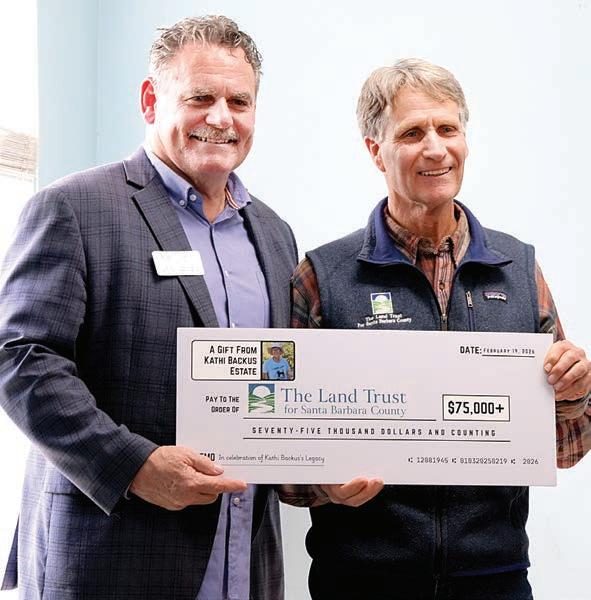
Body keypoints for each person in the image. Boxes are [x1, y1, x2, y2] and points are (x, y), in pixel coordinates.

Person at [0, 15, 297, 600]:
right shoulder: (74, 208)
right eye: (200, 97)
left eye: (239, 101)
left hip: (243, 562)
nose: (222, 118)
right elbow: (22, 357)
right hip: (112, 557)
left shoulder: (274, 233)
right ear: (150, 100)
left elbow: (283, 376)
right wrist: (133, 466)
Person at [280, 58, 591, 599]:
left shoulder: (518, 269)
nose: (435, 148)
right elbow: (279, 450)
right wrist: (323, 485)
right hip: (360, 583)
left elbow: (565, 449)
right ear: (375, 150)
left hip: (495, 581)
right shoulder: (322, 277)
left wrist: (574, 394)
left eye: (448, 129)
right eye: (411, 133)